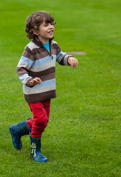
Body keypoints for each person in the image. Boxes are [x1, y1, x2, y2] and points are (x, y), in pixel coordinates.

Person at [9, 11, 78, 162]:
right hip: (34, 91)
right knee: (40, 120)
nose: (51, 27)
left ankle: (16, 130)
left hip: (47, 91)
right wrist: (29, 80)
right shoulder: (31, 49)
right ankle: (35, 151)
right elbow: (21, 68)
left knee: (43, 121)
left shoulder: (54, 45)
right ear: (35, 31)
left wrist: (69, 58)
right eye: (46, 25)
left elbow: (60, 57)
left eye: (52, 24)